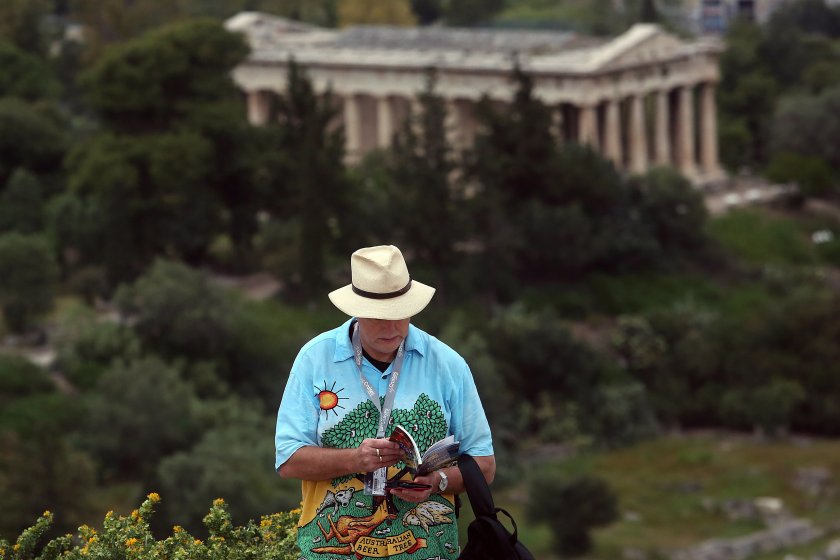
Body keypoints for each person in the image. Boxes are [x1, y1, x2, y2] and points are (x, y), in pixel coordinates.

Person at [275, 244, 495, 559]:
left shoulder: (449, 364)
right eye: (379, 317)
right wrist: (355, 459)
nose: (392, 328)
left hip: (430, 551)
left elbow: (485, 467)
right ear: (357, 310)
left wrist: (437, 481)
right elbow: (287, 459)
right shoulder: (314, 359)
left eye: (400, 314)